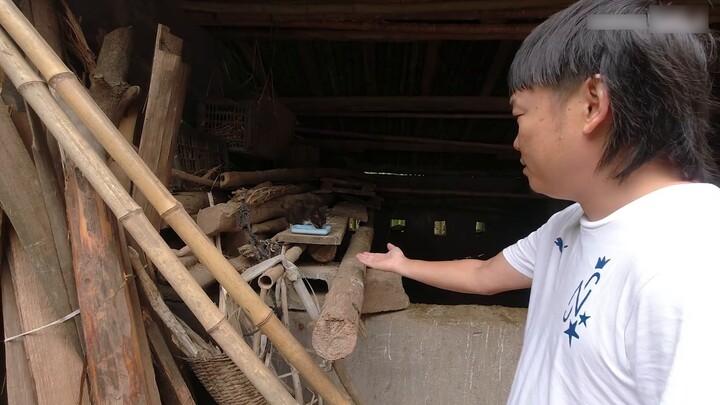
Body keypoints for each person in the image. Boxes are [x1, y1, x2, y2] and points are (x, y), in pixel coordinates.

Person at [356, 1, 720, 403]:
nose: (515, 141)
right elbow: (483, 274)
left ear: (592, 105)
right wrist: (403, 265)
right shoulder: (566, 226)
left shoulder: (690, 260)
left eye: (520, 116)